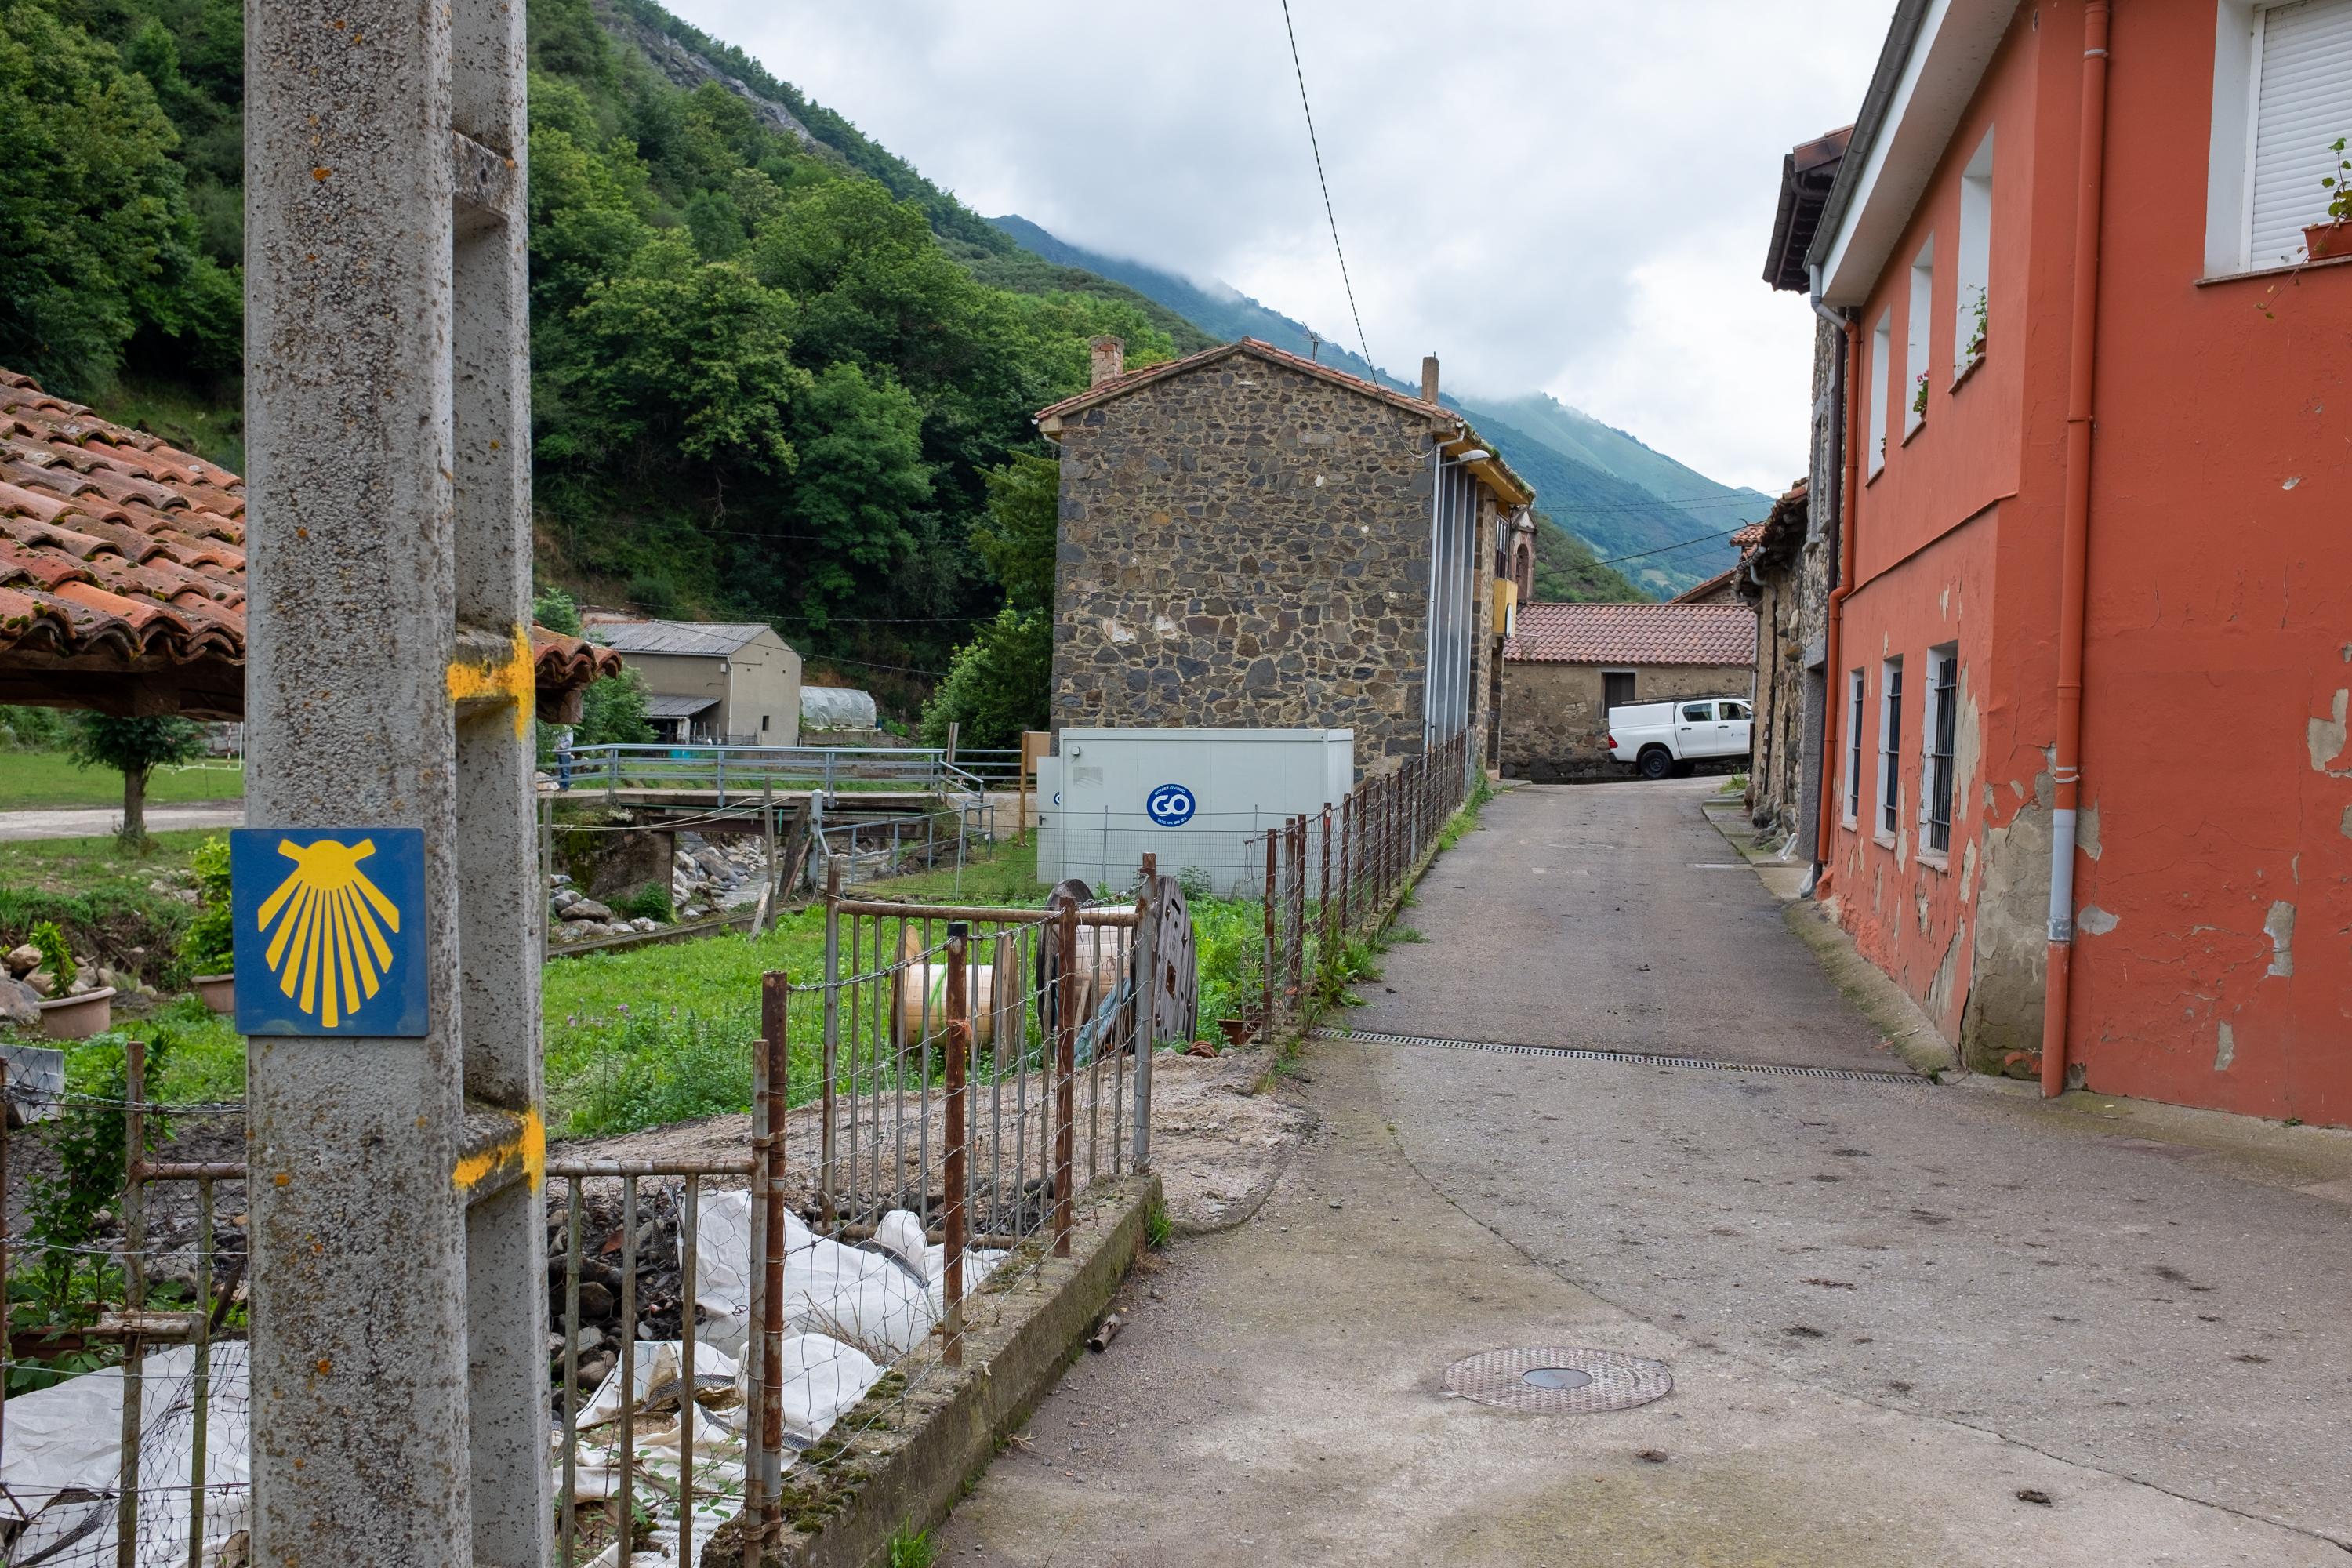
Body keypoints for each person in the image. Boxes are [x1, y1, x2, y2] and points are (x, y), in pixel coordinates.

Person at [554, 727, 574, 791]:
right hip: (559, 752)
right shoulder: (558, 728)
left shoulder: (568, 729)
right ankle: (562, 786)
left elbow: (569, 742)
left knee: (565, 771)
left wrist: (560, 746)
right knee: (562, 771)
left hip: (565, 753)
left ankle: (565, 787)